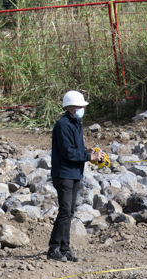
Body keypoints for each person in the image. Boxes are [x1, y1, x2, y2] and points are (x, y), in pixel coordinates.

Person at [48, 90, 106, 262]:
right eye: (80, 107)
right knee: (65, 210)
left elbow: (75, 148)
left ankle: (65, 247)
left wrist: (86, 151)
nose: (82, 109)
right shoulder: (63, 125)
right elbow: (68, 153)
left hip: (74, 173)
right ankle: (53, 248)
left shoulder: (76, 123)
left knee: (70, 211)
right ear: (71, 109)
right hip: (64, 173)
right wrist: (90, 157)